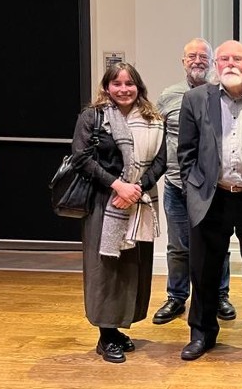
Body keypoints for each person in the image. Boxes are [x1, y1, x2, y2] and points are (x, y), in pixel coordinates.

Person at [177, 40, 242, 361]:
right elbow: (185, 153)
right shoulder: (195, 99)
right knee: (204, 271)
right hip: (212, 197)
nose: (231, 64)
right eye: (224, 59)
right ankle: (202, 333)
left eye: (238, 58)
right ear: (216, 65)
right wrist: (194, 189)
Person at [72, 62, 166, 363]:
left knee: (133, 267)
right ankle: (106, 335)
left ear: (139, 87)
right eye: (117, 84)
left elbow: (162, 160)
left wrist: (137, 188)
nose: (123, 89)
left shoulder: (153, 119)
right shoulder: (94, 117)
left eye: (129, 84)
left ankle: (119, 327)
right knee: (107, 270)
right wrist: (118, 186)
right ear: (106, 88)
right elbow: (81, 158)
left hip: (139, 202)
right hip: (105, 203)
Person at [153, 38, 235, 325]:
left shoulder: (220, 95)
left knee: (218, 244)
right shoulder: (168, 96)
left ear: (212, 62)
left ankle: (221, 294)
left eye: (203, 56)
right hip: (177, 185)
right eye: (192, 56)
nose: (198, 60)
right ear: (183, 61)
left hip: (212, 188)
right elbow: (158, 137)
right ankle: (177, 296)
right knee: (178, 246)